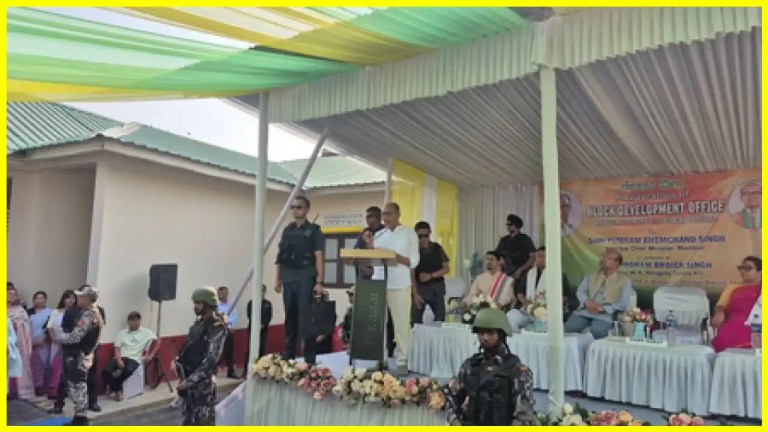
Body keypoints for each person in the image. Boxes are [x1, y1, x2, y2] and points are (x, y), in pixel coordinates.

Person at [445, 307, 537, 426]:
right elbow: (451, 401)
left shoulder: (517, 371)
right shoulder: (469, 367)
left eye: (490, 333)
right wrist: (456, 423)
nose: (485, 338)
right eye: (481, 333)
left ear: (501, 335)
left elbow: (524, 413)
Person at [362, 202, 419, 374]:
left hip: (400, 283)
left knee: (401, 324)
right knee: (378, 324)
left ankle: (402, 360)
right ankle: (380, 358)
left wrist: (395, 257)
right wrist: (369, 245)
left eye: (389, 214)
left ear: (398, 214)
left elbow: (413, 261)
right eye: (384, 214)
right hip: (380, 283)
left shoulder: (409, 234)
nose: (386, 218)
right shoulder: (379, 235)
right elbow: (372, 257)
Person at [274, 196, 325, 361]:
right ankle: (289, 354)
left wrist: (319, 282)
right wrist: (277, 279)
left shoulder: (314, 231)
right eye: (293, 207)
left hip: (306, 278)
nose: (295, 210)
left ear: (307, 209)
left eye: (299, 207)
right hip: (288, 279)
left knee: (306, 319)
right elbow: (281, 256)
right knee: (290, 318)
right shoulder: (287, 230)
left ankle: (309, 358)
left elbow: (319, 257)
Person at [175, 287, 228, 426]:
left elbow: (211, 360)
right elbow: (188, 348)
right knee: (189, 422)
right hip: (188, 381)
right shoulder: (198, 325)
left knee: (203, 422)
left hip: (203, 385)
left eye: (199, 303)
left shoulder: (216, 328)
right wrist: (178, 361)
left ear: (208, 304)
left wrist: (189, 381)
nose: (195, 306)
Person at [353, 206, 396, 358]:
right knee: (368, 315)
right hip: (366, 280)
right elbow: (356, 254)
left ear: (378, 217)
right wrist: (364, 266)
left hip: (384, 280)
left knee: (386, 316)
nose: (368, 219)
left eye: (371, 216)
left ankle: (388, 347)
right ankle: (368, 347)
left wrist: (376, 267)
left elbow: (389, 256)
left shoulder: (387, 233)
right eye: (367, 217)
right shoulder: (364, 233)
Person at [564, 248, 633, 339]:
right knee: (569, 328)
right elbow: (580, 291)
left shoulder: (624, 280)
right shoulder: (591, 275)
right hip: (586, 311)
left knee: (597, 331)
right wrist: (587, 301)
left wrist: (603, 308)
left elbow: (623, 304)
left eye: (608, 258)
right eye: (603, 257)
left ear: (616, 263)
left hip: (606, 315)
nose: (603, 260)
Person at [59, 285, 103, 426]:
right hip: (85, 354)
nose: (78, 298)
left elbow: (75, 337)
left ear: (88, 298)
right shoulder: (97, 314)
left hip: (76, 355)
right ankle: (80, 417)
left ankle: (80, 419)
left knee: (77, 387)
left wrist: (61, 337)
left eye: (81, 296)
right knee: (80, 385)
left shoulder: (88, 315)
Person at [507, 246, 576, 332]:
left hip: (548, 313)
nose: (541, 259)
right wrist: (526, 303)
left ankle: (531, 331)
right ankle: (518, 338)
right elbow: (520, 292)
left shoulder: (557, 274)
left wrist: (550, 305)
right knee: (511, 316)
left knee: (535, 328)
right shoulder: (529, 273)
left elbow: (566, 296)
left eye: (544, 256)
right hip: (528, 311)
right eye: (539, 256)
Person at [102, 311, 159, 401]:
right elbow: (117, 348)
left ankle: (115, 388)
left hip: (134, 358)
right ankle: (117, 389)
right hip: (122, 356)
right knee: (106, 371)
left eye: (138, 320)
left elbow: (158, 341)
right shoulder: (122, 333)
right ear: (129, 322)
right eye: (133, 320)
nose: (136, 322)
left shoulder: (146, 332)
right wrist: (119, 360)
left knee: (128, 370)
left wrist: (151, 354)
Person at [711, 256, 762, 352]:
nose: (743, 271)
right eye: (741, 268)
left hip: (758, 324)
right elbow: (721, 306)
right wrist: (720, 313)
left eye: (748, 268)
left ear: (760, 272)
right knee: (724, 340)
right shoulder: (732, 288)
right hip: (734, 323)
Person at [412, 221, 450, 324]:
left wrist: (431, 276)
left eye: (426, 236)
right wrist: (415, 294)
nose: (423, 239)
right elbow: (411, 274)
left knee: (440, 320)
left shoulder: (437, 248)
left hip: (436, 289)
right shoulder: (412, 250)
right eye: (419, 236)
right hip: (420, 289)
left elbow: (446, 268)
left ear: (430, 234)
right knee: (415, 322)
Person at [47, 290, 76, 402]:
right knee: (55, 366)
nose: (70, 300)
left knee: (68, 367)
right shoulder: (56, 312)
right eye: (68, 297)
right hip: (57, 343)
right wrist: (54, 338)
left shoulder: (77, 312)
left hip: (71, 344)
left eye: (73, 297)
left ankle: (66, 391)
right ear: (63, 299)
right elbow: (49, 326)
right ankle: (53, 390)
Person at [7, 285, 34, 400]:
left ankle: (15, 391)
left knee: (15, 364)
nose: (12, 296)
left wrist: (16, 323)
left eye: (14, 294)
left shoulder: (20, 310)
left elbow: (25, 325)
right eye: (9, 294)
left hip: (17, 342)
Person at [495, 214, 536, 282]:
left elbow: (533, 257)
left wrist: (521, 269)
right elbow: (496, 255)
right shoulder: (504, 240)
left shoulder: (525, 239)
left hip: (522, 274)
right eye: (507, 224)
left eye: (510, 224)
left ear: (516, 225)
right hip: (506, 274)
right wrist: (501, 261)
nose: (508, 226)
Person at [243, 285, 272, 378]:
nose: (261, 292)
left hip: (263, 330)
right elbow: (249, 315)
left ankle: (262, 371)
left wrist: (263, 324)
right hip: (252, 330)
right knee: (250, 349)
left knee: (262, 349)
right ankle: (246, 371)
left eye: (263, 291)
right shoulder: (251, 303)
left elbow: (269, 316)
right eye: (260, 290)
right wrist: (256, 325)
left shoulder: (268, 304)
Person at [27, 291, 53, 396]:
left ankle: (41, 388)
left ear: (45, 300)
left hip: (43, 343)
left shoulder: (50, 313)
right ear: (34, 300)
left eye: (42, 298)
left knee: (44, 364)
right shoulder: (27, 312)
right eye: (37, 298)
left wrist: (43, 338)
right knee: (30, 366)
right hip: (28, 343)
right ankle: (31, 387)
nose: (39, 300)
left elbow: (49, 327)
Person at [302, 290, 336, 364]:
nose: (318, 298)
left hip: (324, 346)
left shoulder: (328, 309)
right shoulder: (309, 307)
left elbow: (329, 327)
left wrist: (318, 338)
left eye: (320, 296)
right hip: (311, 343)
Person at [216, 286, 238, 378]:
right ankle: (212, 371)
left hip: (229, 331)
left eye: (226, 292)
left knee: (229, 351)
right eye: (222, 293)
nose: (224, 294)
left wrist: (231, 327)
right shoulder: (216, 306)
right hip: (220, 331)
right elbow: (217, 318)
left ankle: (231, 372)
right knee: (218, 352)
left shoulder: (231, 304)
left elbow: (234, 316)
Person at [341, 287, 355, 351]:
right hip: (348, 345)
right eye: (349, 295)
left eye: (352, 295)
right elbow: (345, 327)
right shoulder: (350, 310)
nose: (350, 297)